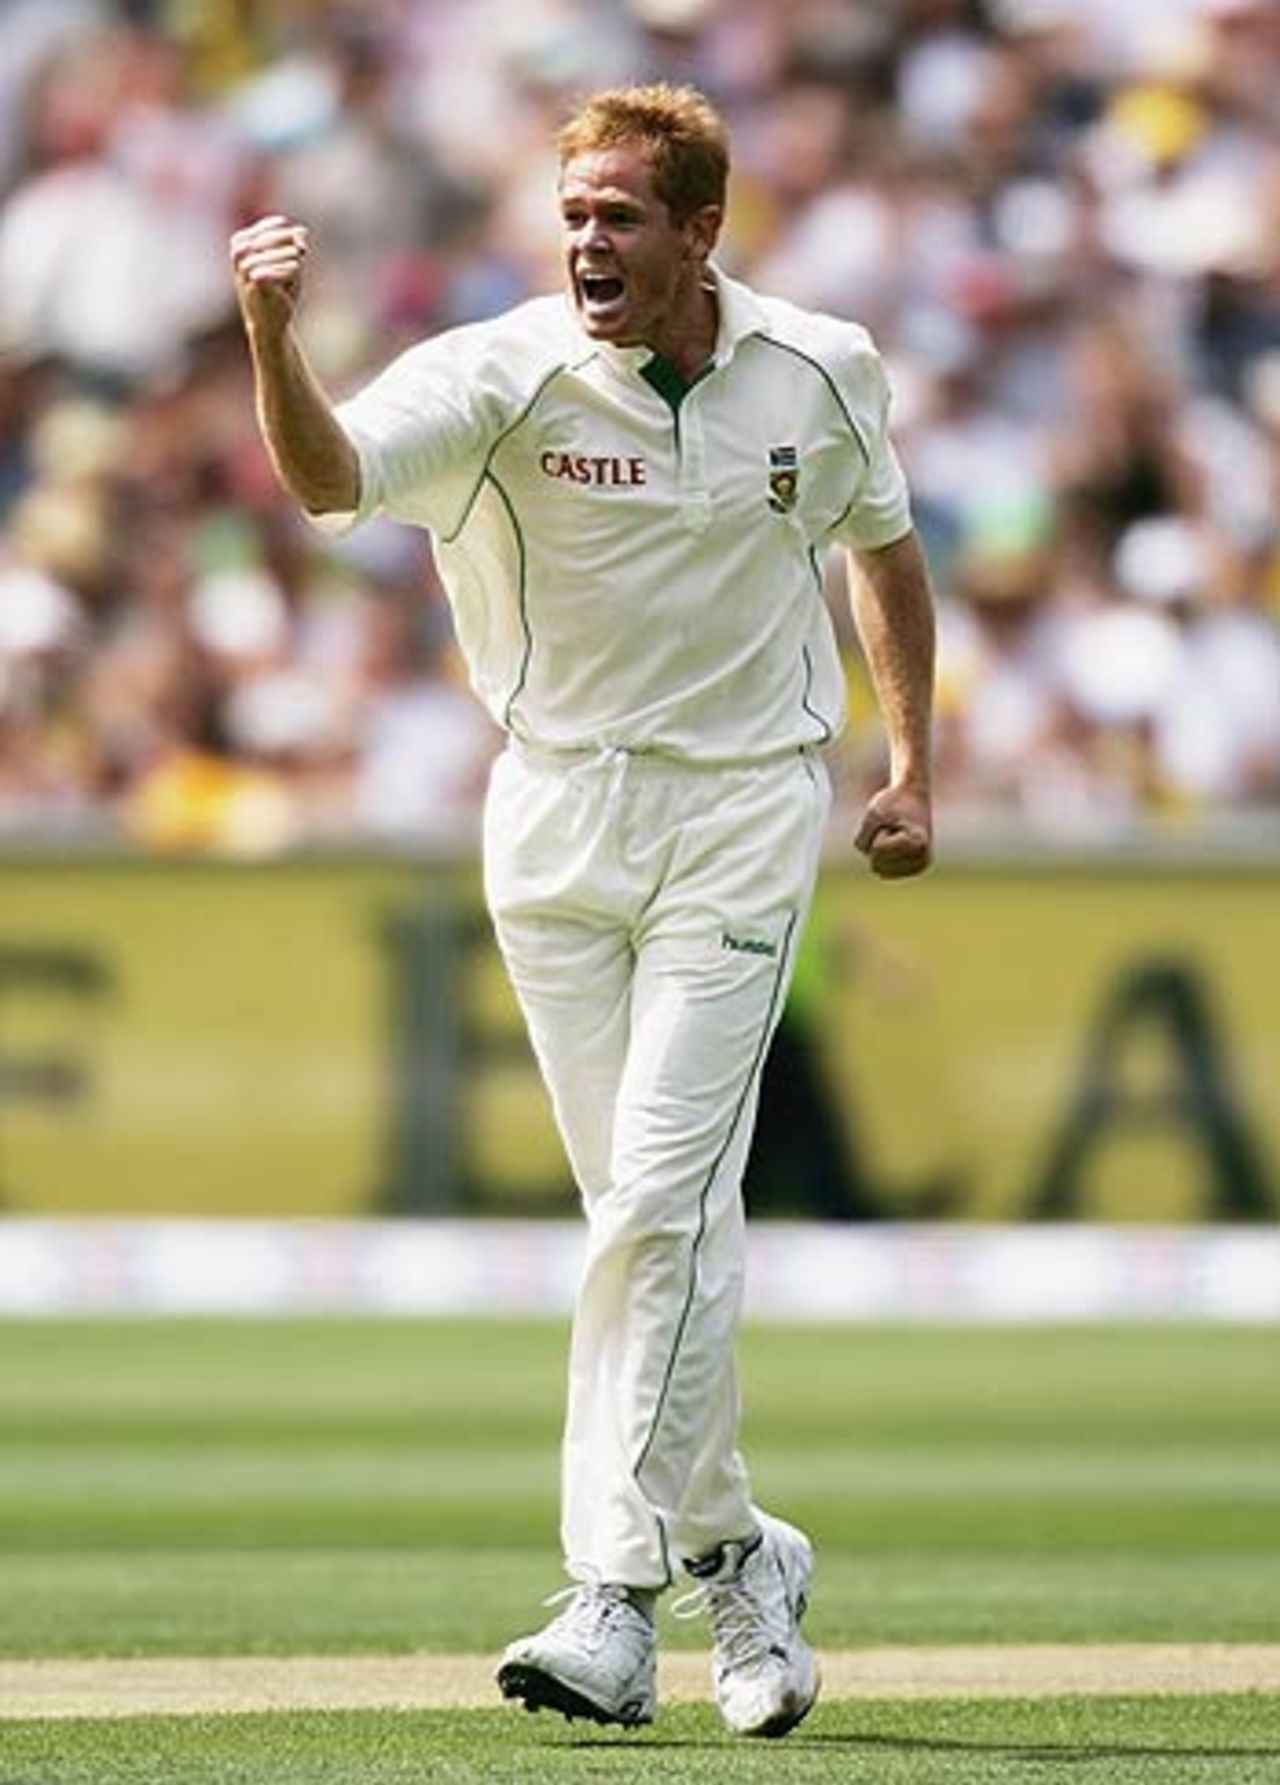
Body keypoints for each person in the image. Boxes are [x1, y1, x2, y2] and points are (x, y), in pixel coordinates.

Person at [231, 82, 934, 1740]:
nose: (588, 240)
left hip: (745, 808)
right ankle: (742, 1550)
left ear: (702, 228)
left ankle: (609, 1598)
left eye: (623, 214)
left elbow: (882, 549)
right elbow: (332, 480)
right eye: (574, 214)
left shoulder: (822, 364)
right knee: (646, 1212)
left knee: (661, 1201)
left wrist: (910, 762)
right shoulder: (499, 371)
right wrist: (271, 334)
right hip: (552, 813)